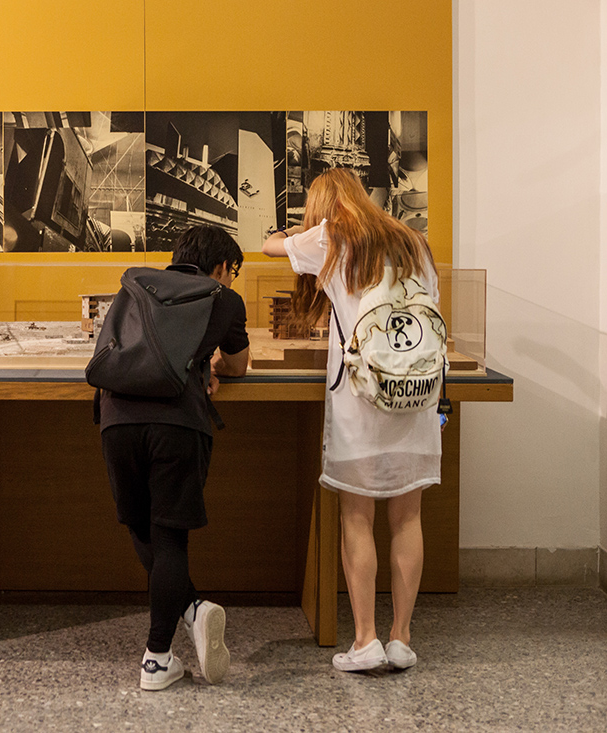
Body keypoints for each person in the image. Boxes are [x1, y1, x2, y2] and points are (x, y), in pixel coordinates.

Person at [262, 167, 441, 672]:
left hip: (362, 402)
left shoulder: (333, 239)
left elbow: (271, 249)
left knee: (357, 517)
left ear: (323, 206)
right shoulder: (414, 242)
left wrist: (293, 232)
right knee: (408, 518)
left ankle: (365, 642)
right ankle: (401, 639)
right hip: (415, 395)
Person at [98, 224, 250, 691]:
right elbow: (239, 363)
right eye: (234, 272)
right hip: (176, 425)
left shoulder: (136, 284)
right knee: (169, 540)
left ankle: (193, 610)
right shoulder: (222, 298)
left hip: (116, 418)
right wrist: (206, 366)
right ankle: (157, 658)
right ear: (223, 267)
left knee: (140, 526)